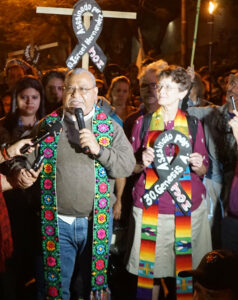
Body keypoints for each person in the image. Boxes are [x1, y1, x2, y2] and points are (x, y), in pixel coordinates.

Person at [13, 68, 136, 300]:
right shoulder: (47, 125)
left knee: (93, 288)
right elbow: (21, 158)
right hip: (56, 223)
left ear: (96, 93)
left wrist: (100, 150)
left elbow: (126, 166)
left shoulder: (109, 127)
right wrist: (21, 172)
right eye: (70, 88)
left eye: (84, 89)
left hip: (96, 222)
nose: (76, 94)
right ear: (63, 92)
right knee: (55, 289)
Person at [126, 66, 211, 299]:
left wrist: (197, 164)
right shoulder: (142, 123)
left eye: (169, 87)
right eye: (159, 85)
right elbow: (129, 168)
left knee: (183, 275)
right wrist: (140, 161)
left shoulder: (194, 125)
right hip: (150, 208)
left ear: (183, 93)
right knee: (149, 274)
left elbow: (204, 168)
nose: (161, 91)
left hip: (186, 209)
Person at [187, 72, 238, 247]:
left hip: (234, 195)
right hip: (211, 186)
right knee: (208, 240)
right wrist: (188, 84)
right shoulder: (210, 113)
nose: (233, 89)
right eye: (232, 83)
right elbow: (183, 110)